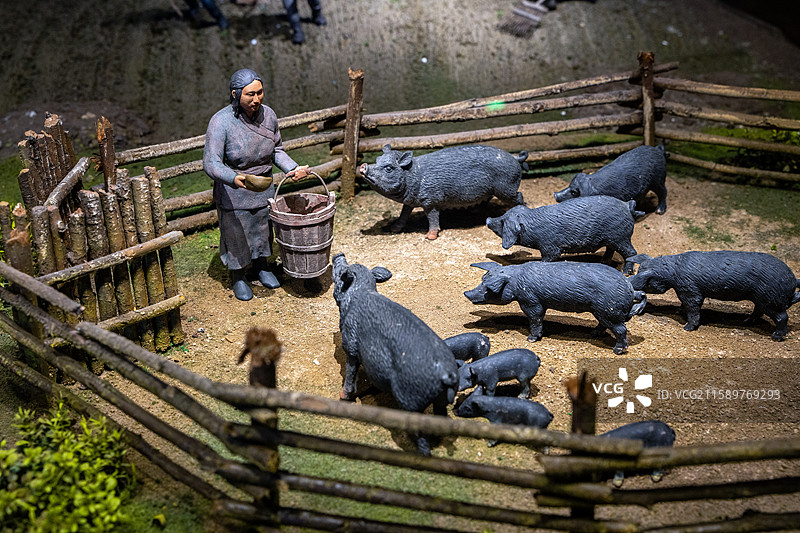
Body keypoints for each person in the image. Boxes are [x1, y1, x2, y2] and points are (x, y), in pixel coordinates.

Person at [203, 68, 309, 301]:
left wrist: (292, 168)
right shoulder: (221, 122)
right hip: (234, 190)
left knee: (262, 229)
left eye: (259, 93)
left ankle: (262, 266)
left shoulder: (269, 115)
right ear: (235, 94)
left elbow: (277, 149)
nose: (256, 99)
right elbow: (211, 163)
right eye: (250, 94)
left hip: (263, 186)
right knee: (237, 234)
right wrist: (233, 178)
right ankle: (238, 276)